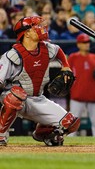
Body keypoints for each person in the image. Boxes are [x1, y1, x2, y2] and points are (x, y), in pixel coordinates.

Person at [0, 16, 80, 146]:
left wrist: (66, 65)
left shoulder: (46, 48)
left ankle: (43, 132)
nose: (41, 28)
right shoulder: (12, 55)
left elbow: (58, 50)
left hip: (37, 98)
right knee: (16, 95)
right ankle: (1, 134)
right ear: (26, 33)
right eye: (35, 26)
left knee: (71, 123)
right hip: (12, 97)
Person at [68, 34, 95, 137]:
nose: (86, 44)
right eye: (84, 42)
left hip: (92, 93)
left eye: (88, 42)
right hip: (77, 94)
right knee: (73, 122)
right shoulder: (73, 57)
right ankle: (68, 145)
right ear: (78, 44)